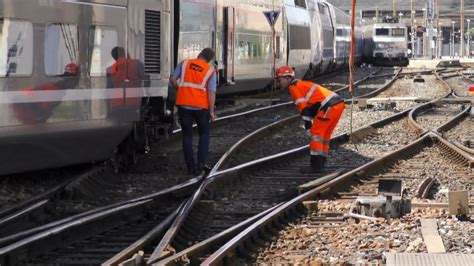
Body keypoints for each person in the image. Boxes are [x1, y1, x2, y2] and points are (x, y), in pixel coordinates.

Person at [275, 66, 345, 173]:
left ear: (288, 78)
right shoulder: (301, 84)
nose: (279, 83)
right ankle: (321, 164)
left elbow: (303, 108)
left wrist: (308, 124)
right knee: (324, 136)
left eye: (280, 80)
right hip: (338, 104)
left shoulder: (293, 87)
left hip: (329, 106)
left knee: (316, 133)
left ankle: (316, 166)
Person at [169, 48, 217, 176]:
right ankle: (201, 164)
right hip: (201, 106)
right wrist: (211, 111)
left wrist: (180, 90)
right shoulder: (211, 71)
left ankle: (190, 167)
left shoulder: (184, 63)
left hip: (183, 105)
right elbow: (211, 92)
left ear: (199, 54)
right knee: (204, 134)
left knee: (187, 135)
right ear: (210, 59)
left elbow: (173, 79)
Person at [13, 63, 79, 124]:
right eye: (76, 80)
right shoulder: (56, 90)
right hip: (25, 106)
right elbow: (43, 109)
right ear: (70, 79)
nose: (76, 83)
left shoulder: (57, 88)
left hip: (25, 105)